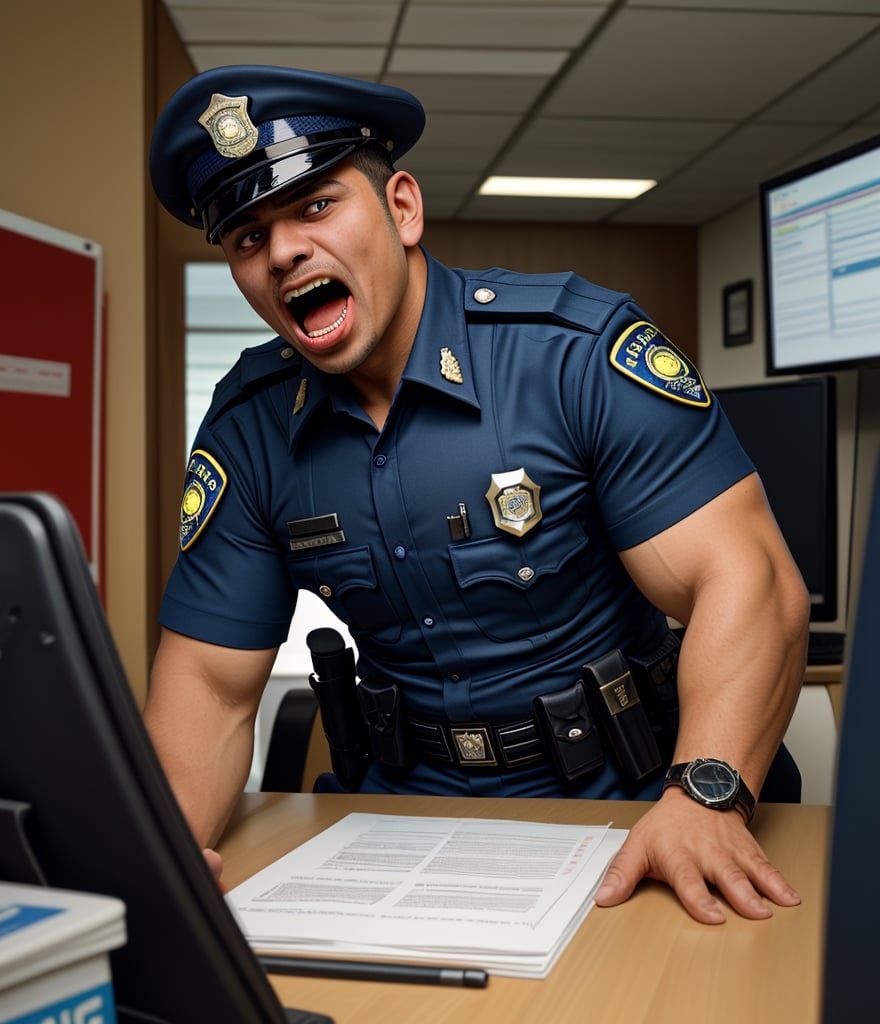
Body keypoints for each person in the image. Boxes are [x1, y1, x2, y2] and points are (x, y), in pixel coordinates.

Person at [145, 64, 810, 926]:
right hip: (395, 823)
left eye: (315, 206)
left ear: (404, 208)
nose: (281, 252)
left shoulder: (573, 354)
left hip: (637, 806)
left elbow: (750, 581)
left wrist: (703, 796)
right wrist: (154, 855)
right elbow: (210, 683)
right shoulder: (248, 425)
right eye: (245, 237)